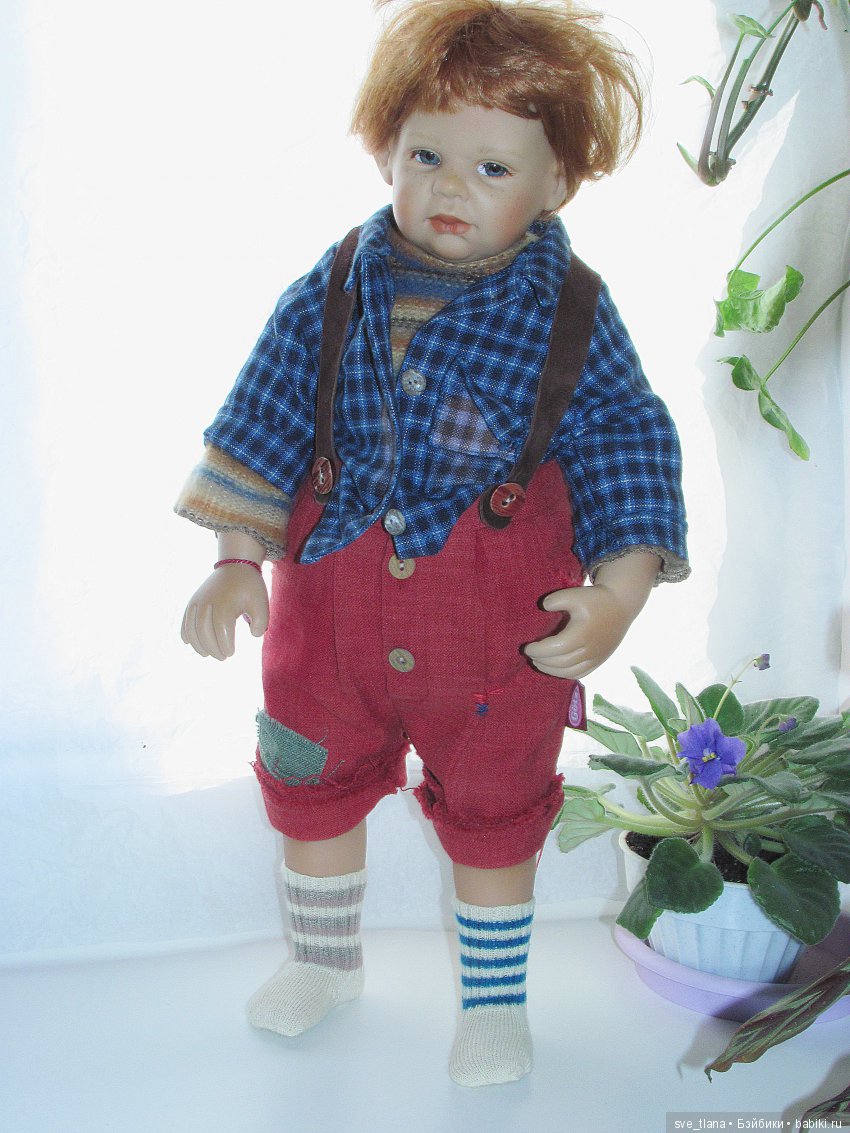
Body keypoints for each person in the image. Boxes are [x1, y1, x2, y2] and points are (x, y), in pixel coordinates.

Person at [176, 0, 689, 1088]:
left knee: (496, 808)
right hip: (330, 608)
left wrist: (619, 593)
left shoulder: (572, 314)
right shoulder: (335, 286)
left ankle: (493, 1003)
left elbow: (627, 446)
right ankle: (323, 961)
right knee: (313, 779)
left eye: (493, 168)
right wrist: (233, 558)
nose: (453, 187)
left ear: (556, 182)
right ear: (385, 150)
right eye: (426, 156)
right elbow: (264, 417)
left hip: (500, 630)